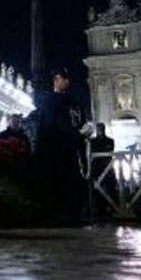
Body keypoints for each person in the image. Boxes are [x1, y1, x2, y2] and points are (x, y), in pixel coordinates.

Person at [31, 67, 88, 223]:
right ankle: (57, 213)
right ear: (56, 80)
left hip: (72, 149)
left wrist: (83, 129)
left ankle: (73, 212)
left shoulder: (72, 101)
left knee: (72, 181)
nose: (67, 81)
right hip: (55, 151)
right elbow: (53, 124)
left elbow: (79, 119)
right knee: (58, 182)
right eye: (64, 78)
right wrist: (75, 131)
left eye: (68, 78)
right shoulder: (49, 101)